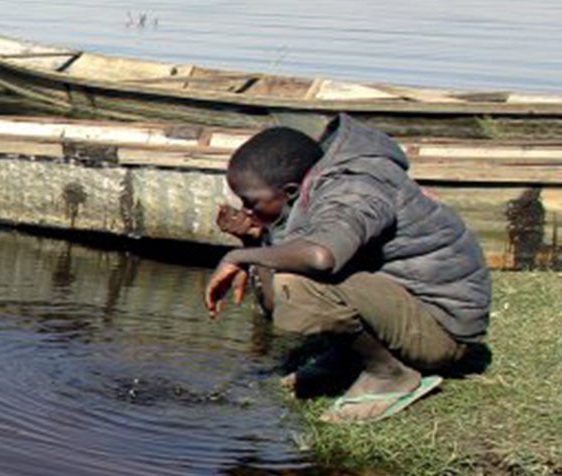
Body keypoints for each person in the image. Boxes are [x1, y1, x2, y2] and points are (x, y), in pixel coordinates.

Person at [204, 115, 490, 423]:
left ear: (288, 190)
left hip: (444, 333)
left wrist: (236, 257)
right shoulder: (314, 188)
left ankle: (390, 375)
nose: (246, 210)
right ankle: (349, 359)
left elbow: (320, 257)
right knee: (285, 276)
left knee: (298, 282)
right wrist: (251, 240)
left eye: (251, 203)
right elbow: (275, 293)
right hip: (407, 310)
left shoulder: (354, 190)